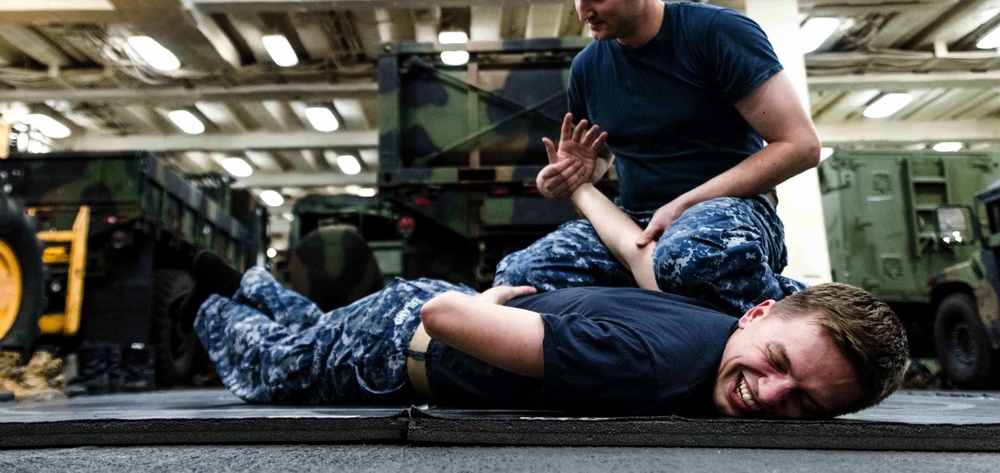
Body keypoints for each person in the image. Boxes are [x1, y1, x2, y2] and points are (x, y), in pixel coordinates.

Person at [494, 0, 822, 316]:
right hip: (638, 225)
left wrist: (684, 204)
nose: (582, 11)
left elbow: (802, 145)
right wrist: (577, 174)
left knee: (688, 257)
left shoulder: (716, 33)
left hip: (729, 214)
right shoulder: (588, 68)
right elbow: (600, 159)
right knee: (518, 278)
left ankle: (794, 312)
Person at [186, 245, 908, 418]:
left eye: (805, 401)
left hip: (427, 312)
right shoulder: (651, 365)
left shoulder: (723, 326)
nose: (769, 392)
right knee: (271, 367)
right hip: (396, 341)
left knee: (311, 330)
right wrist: (484, 308)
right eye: (779, 360)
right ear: (760, 312)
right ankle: (210, 295)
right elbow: (446, 319)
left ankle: (255, 281)